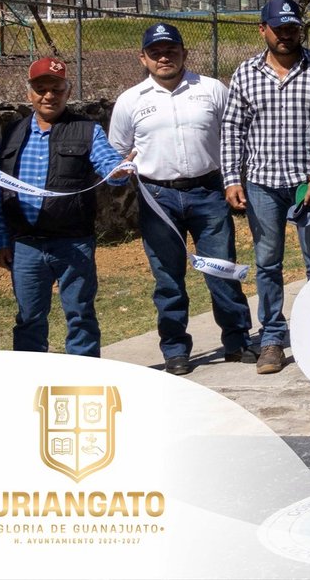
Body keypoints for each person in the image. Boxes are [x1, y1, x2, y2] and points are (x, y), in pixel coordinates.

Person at [109, 23, 254, 373]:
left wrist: (236, 178)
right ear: (142, 58)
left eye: (171, 50)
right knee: (168, 278)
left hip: (208, 192)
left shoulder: (212, 90)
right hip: (158, 198)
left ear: (184, 53)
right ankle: (175, 349)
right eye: (155, 52)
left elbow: (237, 134)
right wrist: (118, 170)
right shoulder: (130, 101)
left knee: (221, 269)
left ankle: (237, 341)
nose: (164, 57)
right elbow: (116, 152)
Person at [221, 0, 310, 375]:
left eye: (293, 28)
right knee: (267, 262)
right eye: (279, 28)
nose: (287, 35)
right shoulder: (245, 73)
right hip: (263, 184)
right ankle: (272, 338)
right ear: (263, 30)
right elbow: (232, 129)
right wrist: (230, 178)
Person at [0, 58, 134, 355]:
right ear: (29, 93)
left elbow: (109, 165)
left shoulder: (87, 130)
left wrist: (118, 172)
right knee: (28, 319)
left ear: (67, 92)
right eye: (41, 89)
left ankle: (84, 383)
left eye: (56, 89)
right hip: (26, 245)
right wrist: (3, 240)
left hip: (73, 243)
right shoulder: (12, 133)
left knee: (80, 315)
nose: (48, 96)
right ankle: (31, 381)